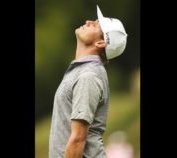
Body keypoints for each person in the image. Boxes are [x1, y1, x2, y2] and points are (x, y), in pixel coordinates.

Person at [49, 5, 128, 158]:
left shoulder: (89, 75)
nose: (89, 21)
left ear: (101, 43)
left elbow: (78, 139)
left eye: (96, 25)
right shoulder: (83, 71)